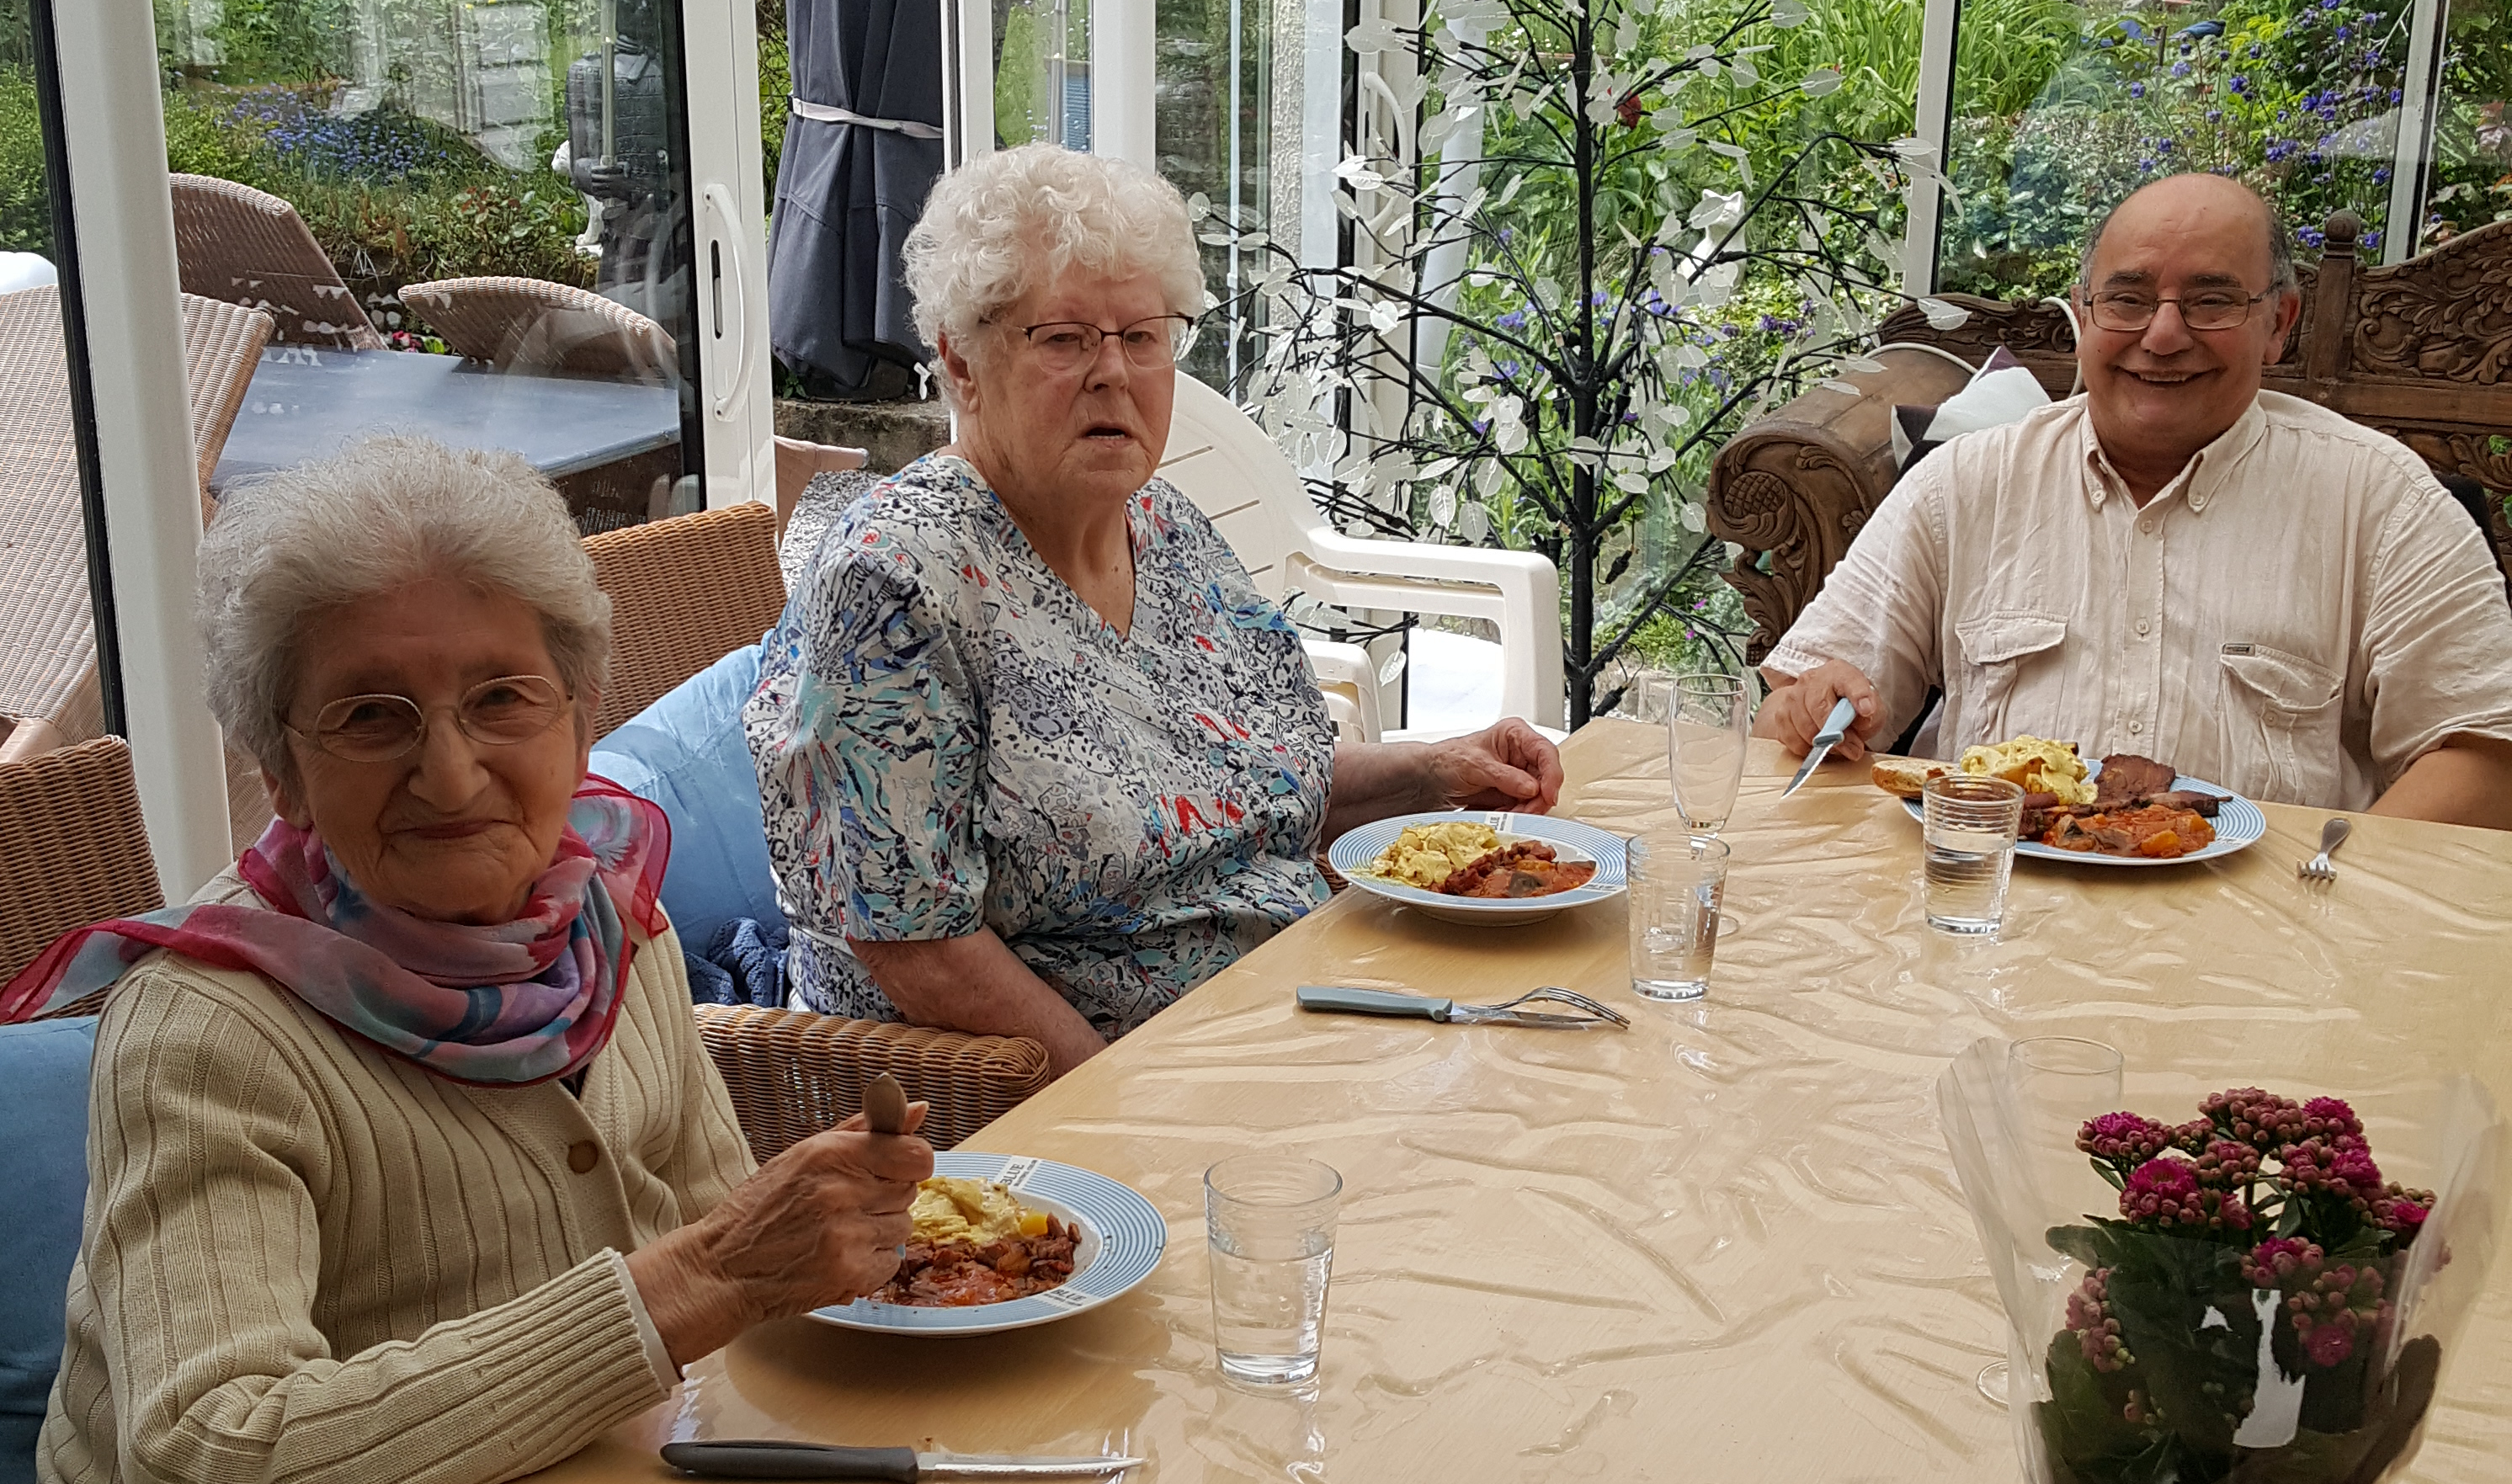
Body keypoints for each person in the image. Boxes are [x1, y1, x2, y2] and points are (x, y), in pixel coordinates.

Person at [7, 435, 1179, 1484]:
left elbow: (709, 1279)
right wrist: (689, 1284)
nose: (448, 769)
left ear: (574, 715)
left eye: (501, 698)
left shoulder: (598, 925)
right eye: (371, 715)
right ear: (280, 767)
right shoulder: (214, 1030)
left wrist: (875, 1289)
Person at [748, 142, 1565, 1075]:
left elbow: (1243, 784)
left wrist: (1436, 771)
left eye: (1141, 336)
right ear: (960, 364)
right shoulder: (897, 580)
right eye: (1063, 339)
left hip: (1309, 1006)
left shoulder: (1163, 527)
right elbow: (913, 942)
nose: (1113, 373)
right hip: (1103, 1089)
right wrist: (1118, 1096)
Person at [1753, 171, 2512, 824]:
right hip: (1987, 922)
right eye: (2128, 299)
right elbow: (1792, 715)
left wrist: (2322, 909)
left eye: (2211, 301)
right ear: (2084, 316)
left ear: (2278, 323)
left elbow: (2485, 761)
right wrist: (1810, 709)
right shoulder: (1967, 484)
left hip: (2257, 953)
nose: (2164, 334)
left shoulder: (2383, 502)